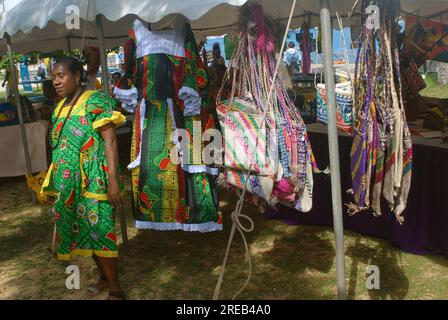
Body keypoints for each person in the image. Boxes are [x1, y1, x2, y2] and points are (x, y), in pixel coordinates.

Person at [40, 56, 126, 300]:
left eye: (61, 76)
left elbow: (110, 141)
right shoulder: (59, 107)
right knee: (84, 232)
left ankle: (116, 289)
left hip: (94, 181)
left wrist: (113, 180)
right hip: (70, 185)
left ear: (77, 76)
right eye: (53, 77)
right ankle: (103, 279)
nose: (56, 81)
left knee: (100, 231)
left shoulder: (95, 100)